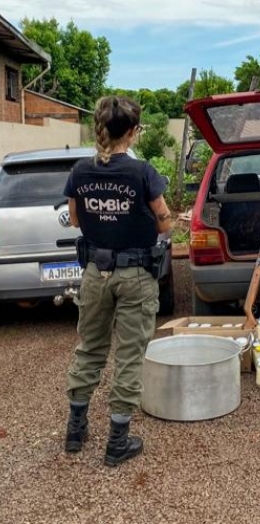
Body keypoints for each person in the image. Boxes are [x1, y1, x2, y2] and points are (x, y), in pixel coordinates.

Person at [63, 95, 173, 466]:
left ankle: (75, 431)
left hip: (95, 274)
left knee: (90, 348)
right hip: (135, 276)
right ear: (133, 131)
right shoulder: (143, 172)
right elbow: (164, 221)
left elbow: (76, 220)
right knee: (128, 355)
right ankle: (117, 442)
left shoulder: (80, 171)